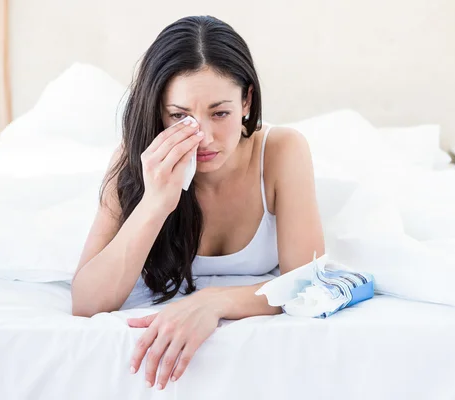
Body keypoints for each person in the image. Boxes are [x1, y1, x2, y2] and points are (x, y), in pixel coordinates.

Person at [70, 15, 324, 390]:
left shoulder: (283, 150)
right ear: (158, 110)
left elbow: (307, 284)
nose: (202, 137)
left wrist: (214, 302)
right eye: (179, 115)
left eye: (219, 112)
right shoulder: (133, 157)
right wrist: (156, 202)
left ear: (246, 101)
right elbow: (86, 303)